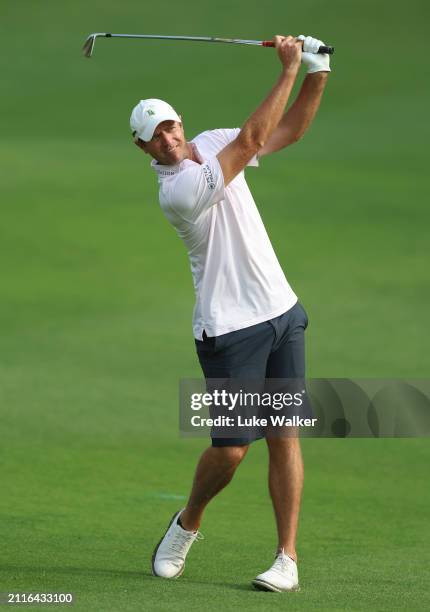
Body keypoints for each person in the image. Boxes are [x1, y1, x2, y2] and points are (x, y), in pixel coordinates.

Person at [130, 34, 330, 592]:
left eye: (170, 128)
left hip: (282, 311)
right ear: (143, 149)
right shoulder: (178, 189)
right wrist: (289, 66)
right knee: (233, 450)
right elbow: (255, 136)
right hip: (229, 329)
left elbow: (288, 132)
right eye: (154, 138)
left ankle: (286, 558)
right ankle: (187, 522)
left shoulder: (212, 141)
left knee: (285, 433)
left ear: (180, 123)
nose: (168, 140)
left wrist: (318, 70)